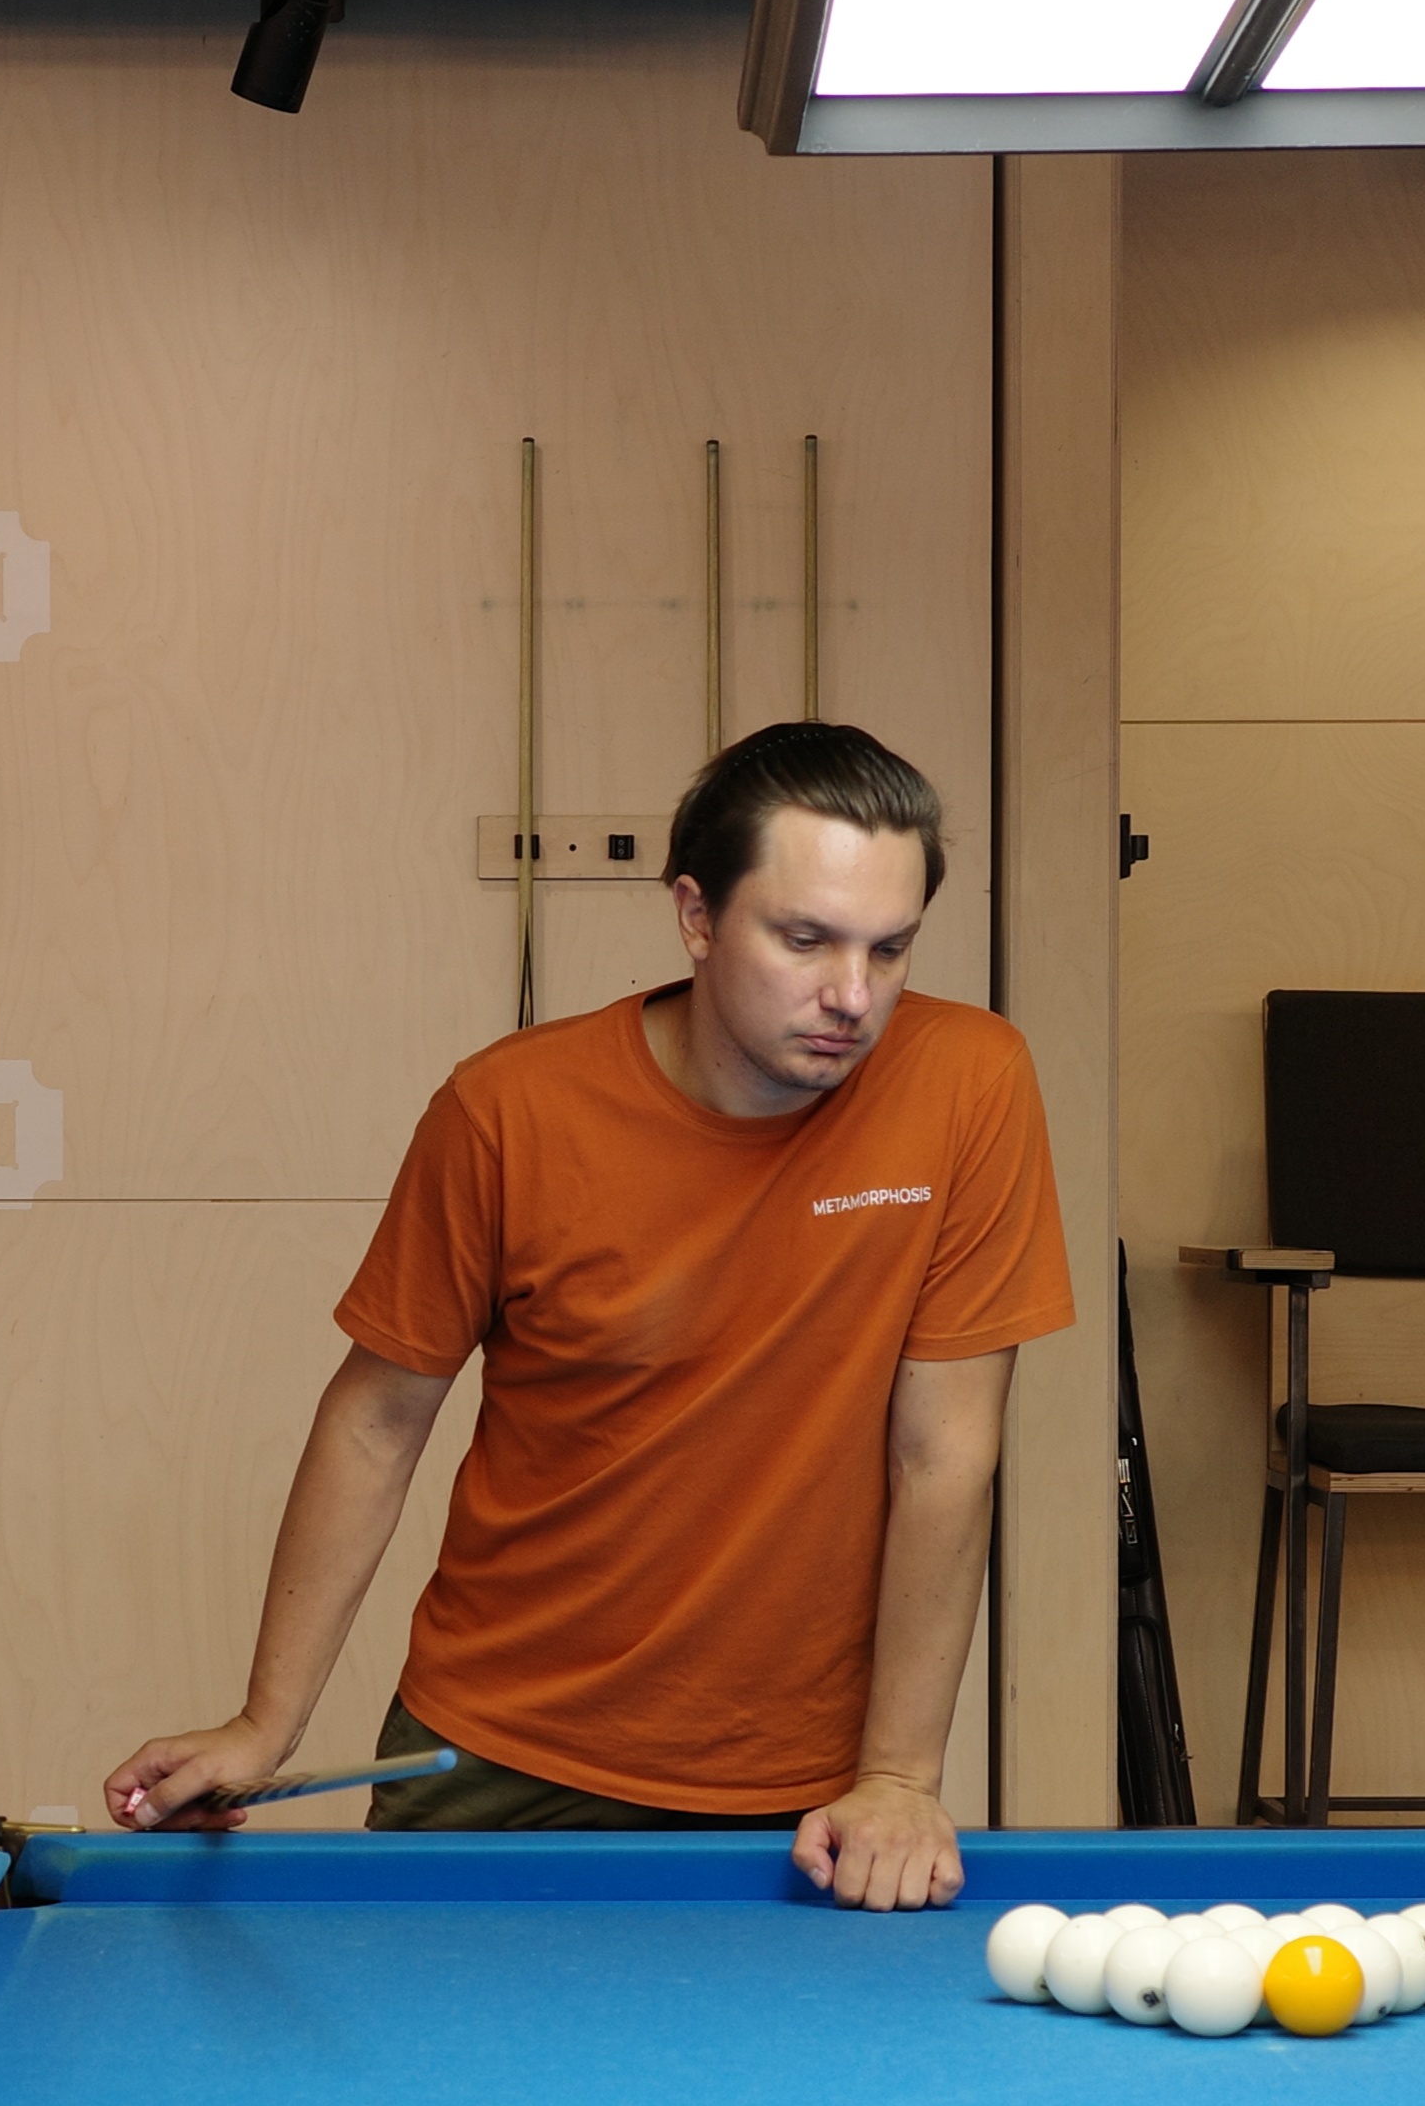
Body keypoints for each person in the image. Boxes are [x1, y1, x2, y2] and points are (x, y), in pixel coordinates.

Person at [105, 723, 1071, 1909]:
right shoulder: (506, 1111)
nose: (852, 996)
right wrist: (266, 1722)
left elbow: (945, 1452)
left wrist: (900, 1776)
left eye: (891, 947)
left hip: (807, 1785)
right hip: (496, 1749)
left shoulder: (971, 1082)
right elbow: (376, 1422)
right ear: (697, 915)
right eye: (805, 939)